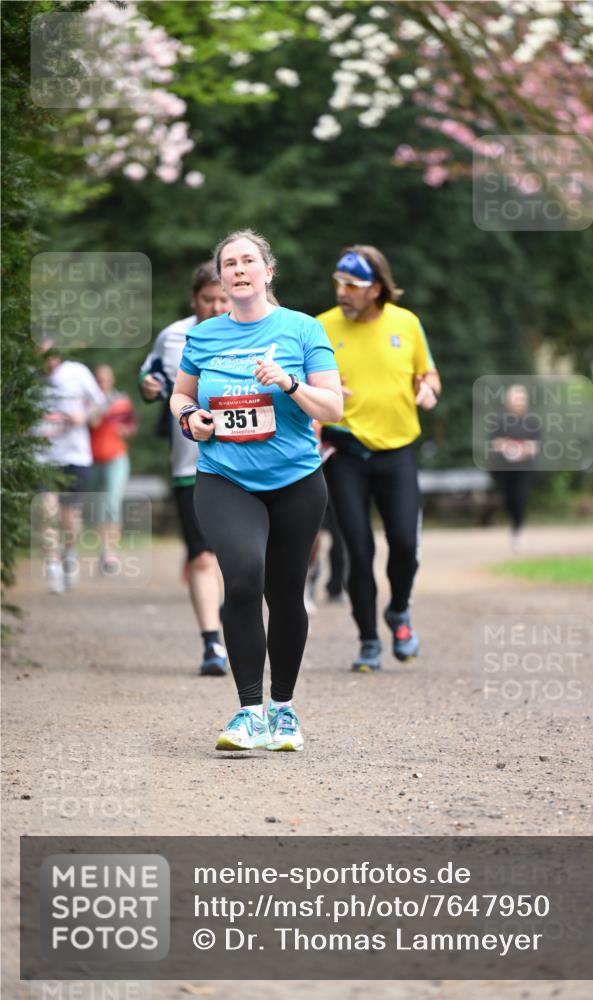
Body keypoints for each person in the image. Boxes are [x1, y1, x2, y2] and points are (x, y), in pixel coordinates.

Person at [170, 229, 342, 752]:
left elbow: (333, 409)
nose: (239, 269)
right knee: (243, 577)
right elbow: (181, 394)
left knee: (285, 593)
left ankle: (284, 710)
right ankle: (249, 712)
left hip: (295, 480)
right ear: (220, 278)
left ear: (268, 272)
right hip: (225, 477)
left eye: (249, 261)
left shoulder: (302, 329)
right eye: (230, 263)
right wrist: (190, 418)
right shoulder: (203, 338)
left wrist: (289, 383)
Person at [317, 245, 441, 673]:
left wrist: (428, 389)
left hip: (397, 452)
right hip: (345, 453)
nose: (342, 292)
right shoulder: (320, 327)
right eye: (339, 282)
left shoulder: (406, 324)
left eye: (352, 285)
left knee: (405, 543)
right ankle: (369, 640)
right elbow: (300, 388)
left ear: (376, 289)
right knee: (358, 548)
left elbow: (428, 373)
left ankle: (399, 612)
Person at [139, 262, 230, 677]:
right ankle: (212, 643)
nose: (215, 307)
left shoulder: (255, 332)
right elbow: (150, 375)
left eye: (222, 299)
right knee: (203, 557)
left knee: (240, 557)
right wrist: (149, 387)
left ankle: (237, 622)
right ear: (194, 299)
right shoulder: (174, 336)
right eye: (208, 299)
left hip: (245, 464)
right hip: (190, 465)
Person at [34, 342, 106, 593]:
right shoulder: (28, 380)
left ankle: (69, 554)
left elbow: (100, 401)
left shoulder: (76, 372)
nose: (48, 361)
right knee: (46, 511)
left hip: (75, 455)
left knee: (69, 517)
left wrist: (83, 417)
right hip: (42, 457)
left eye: (51, 354)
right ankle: (52, 566)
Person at [89, 365, 137, 574]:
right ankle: (104, 549)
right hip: (92, 459)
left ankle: (111, 552)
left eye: (105, 379)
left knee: (112, 502)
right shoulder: (88, 401)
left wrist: (124, 429)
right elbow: (88, 424)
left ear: (112, 380)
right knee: (99, 506)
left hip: (116, 458)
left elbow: (131, 426)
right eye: (99, 379)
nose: (102, 383)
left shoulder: (121, 401)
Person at [489, 383, 540, 553]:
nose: (518, 402)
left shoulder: (532, 421)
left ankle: (517, 530)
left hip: (524, 467)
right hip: (504, 468)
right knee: (508, 499)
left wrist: (522, 449)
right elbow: (495, 443)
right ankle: (514, 524)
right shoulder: (499, 420)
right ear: (508, 401)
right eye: (515, 399)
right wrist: (508, 447)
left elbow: (535, 446)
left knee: (520, 497)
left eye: (521, 399)